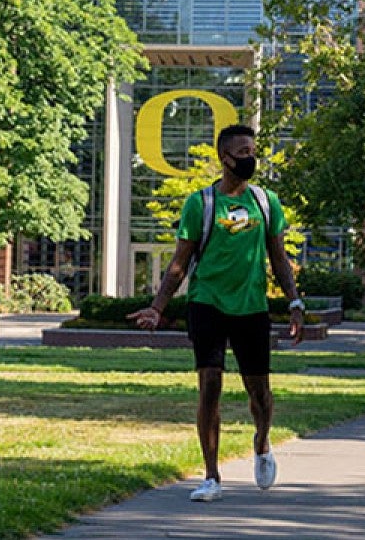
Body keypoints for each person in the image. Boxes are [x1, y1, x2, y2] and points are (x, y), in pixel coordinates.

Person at [127, 124, 305, 503]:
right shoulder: (201, 203)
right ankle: (211, 476)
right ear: (224, 157)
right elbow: (179, 262)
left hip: (251, 307)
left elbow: (279, 256)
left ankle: (261, 440)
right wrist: (158, 307)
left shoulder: (265, 201)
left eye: (253, 150)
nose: (250, 158)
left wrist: (294, 302)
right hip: (207, 303)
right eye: (242, 152)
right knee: (210, 385)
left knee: (259, 393)